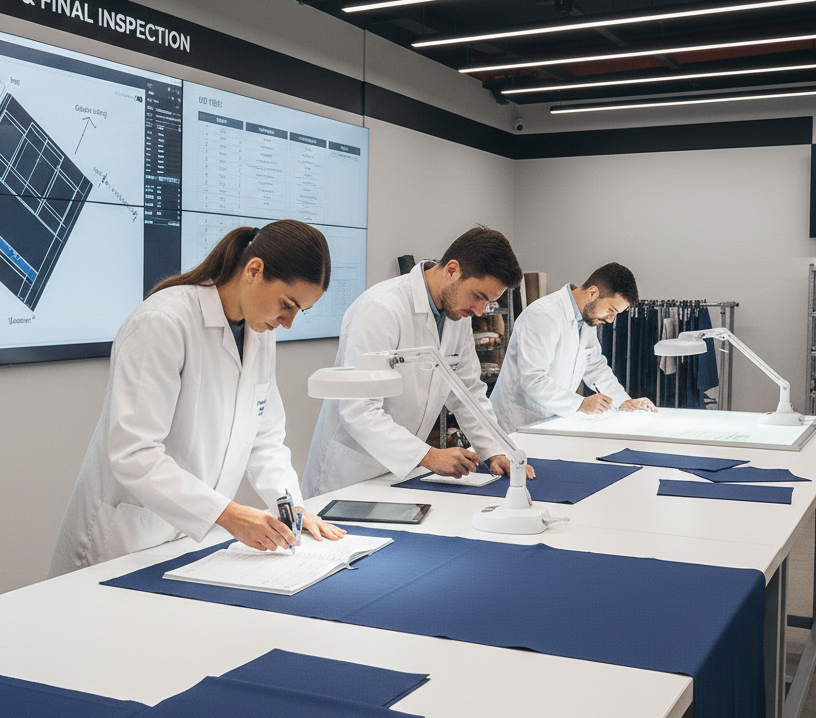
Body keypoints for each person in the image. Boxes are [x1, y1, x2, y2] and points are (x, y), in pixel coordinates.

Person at [49, 220, 345, 577]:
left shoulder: (258, 333)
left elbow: (264, 440)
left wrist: (291, 507)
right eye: (287, 304)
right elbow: (134, 454)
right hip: (128, 539)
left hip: (190, 541)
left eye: (299, 311)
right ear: (254, 270)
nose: (288, 323)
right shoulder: (163, 322)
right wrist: (230, 515)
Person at [303, 225, 531, 499]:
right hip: (351, 471)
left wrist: (494, 448)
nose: (479, 311)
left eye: (488, 302)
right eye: (479, 296)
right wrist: (427, 455)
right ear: (452, 271)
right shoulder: (380, 308)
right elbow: (358, 410)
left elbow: (467, 391)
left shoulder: (457, 317)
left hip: (402, 469)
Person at [490, 262, 658, 434]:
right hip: (515, 423)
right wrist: (580, 403)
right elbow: (532, 378)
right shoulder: (543, 315)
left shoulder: (586, 320)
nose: (610, 320)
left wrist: (622, 401)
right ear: (593, 292)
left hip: (548, 421)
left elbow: (595, 367)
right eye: (611, 310)